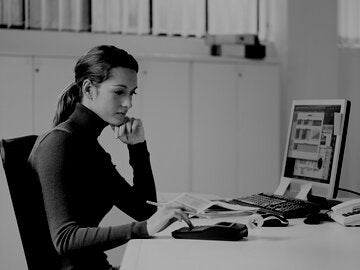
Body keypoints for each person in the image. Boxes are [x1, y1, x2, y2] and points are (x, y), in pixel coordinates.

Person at [28, 45, 192, 270]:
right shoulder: (59, 144)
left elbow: (144, 210)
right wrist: (143, 229)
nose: (128, 103)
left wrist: (138, 148)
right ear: (89, 88)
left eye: (132, 93)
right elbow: (64, 239)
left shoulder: (87, 145)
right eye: (119, 92)